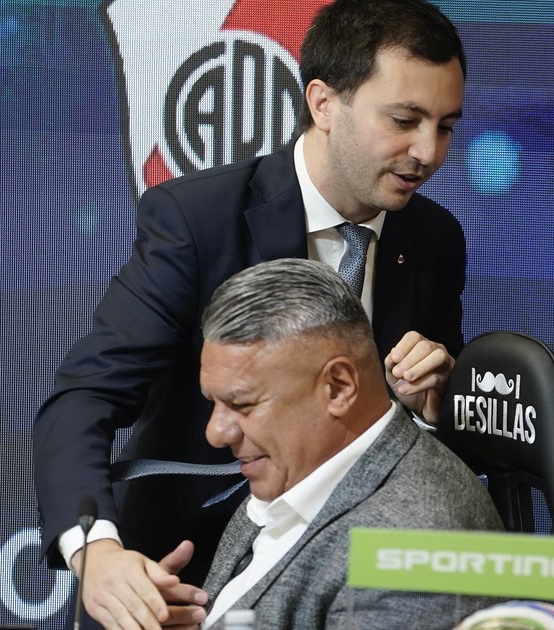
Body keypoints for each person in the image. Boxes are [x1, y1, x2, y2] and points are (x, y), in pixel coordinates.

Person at [32, 0, 470, 626]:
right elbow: (85, 398)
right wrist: (96, 551)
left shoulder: (435, 240)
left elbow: (427, 440)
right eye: (404, 120)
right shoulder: (197, 221)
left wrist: (431, 406)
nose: (427, 152)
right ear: (323, 103)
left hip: (345, 587)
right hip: (179, 579)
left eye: (446, 126)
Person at [164, 259, 502, 629]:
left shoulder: (413, 555)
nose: (216, 433)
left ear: (338, 387)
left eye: (242, 404)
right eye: (213, 403)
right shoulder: (298, 465)